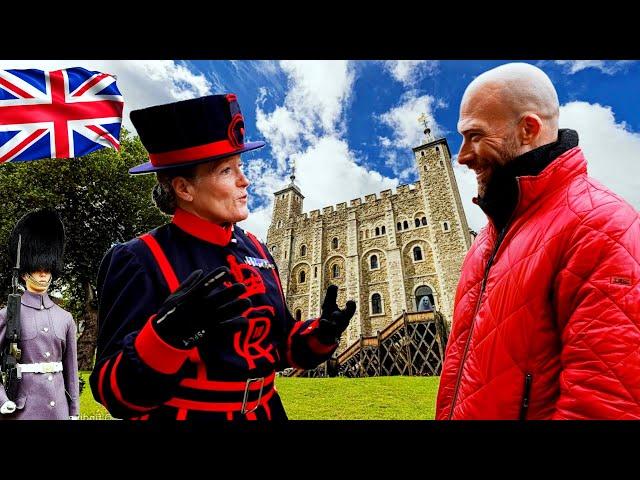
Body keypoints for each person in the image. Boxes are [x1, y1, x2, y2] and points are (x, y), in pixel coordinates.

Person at [89, 94, 356, 420]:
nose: (245, 181)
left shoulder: (257, 249)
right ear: (184, 189)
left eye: (240, 167)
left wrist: (320, 335)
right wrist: (167, 336)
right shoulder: (138, 258)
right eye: (227, 170)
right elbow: (112, 393)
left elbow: (281, 345)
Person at [436, 63, 640, 420]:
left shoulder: (602, 227)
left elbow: (605, 403)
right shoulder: (485, 242)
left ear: (528, 129)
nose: (463, 156)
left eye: (476, 136)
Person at [0, 209, 79, 420]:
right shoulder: (8, 314)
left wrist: (74, 412)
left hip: (58, 411)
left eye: (47, 268)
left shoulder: (65, 319)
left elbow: (71, 371)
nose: (43, 274)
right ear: (26, 272)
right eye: (37, 269)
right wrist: (2, 399)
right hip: (24, 410)